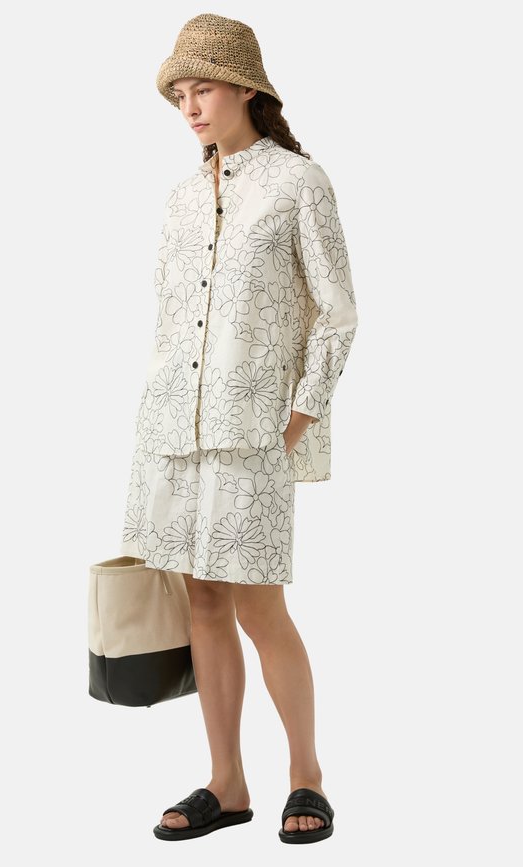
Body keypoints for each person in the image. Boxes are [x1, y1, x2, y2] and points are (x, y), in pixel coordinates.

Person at [118, 13, 358, 844]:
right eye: (179, 94)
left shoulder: (299, 183)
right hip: (171, 431)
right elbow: (169, 321)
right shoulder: (182, 197)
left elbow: (337, 313)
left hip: (254, 431)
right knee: (204, 603)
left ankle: (307, 774)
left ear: (247, 89)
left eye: (203, 89)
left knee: (261, 607)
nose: (189, 106)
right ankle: (227, 782)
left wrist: (300, 415)